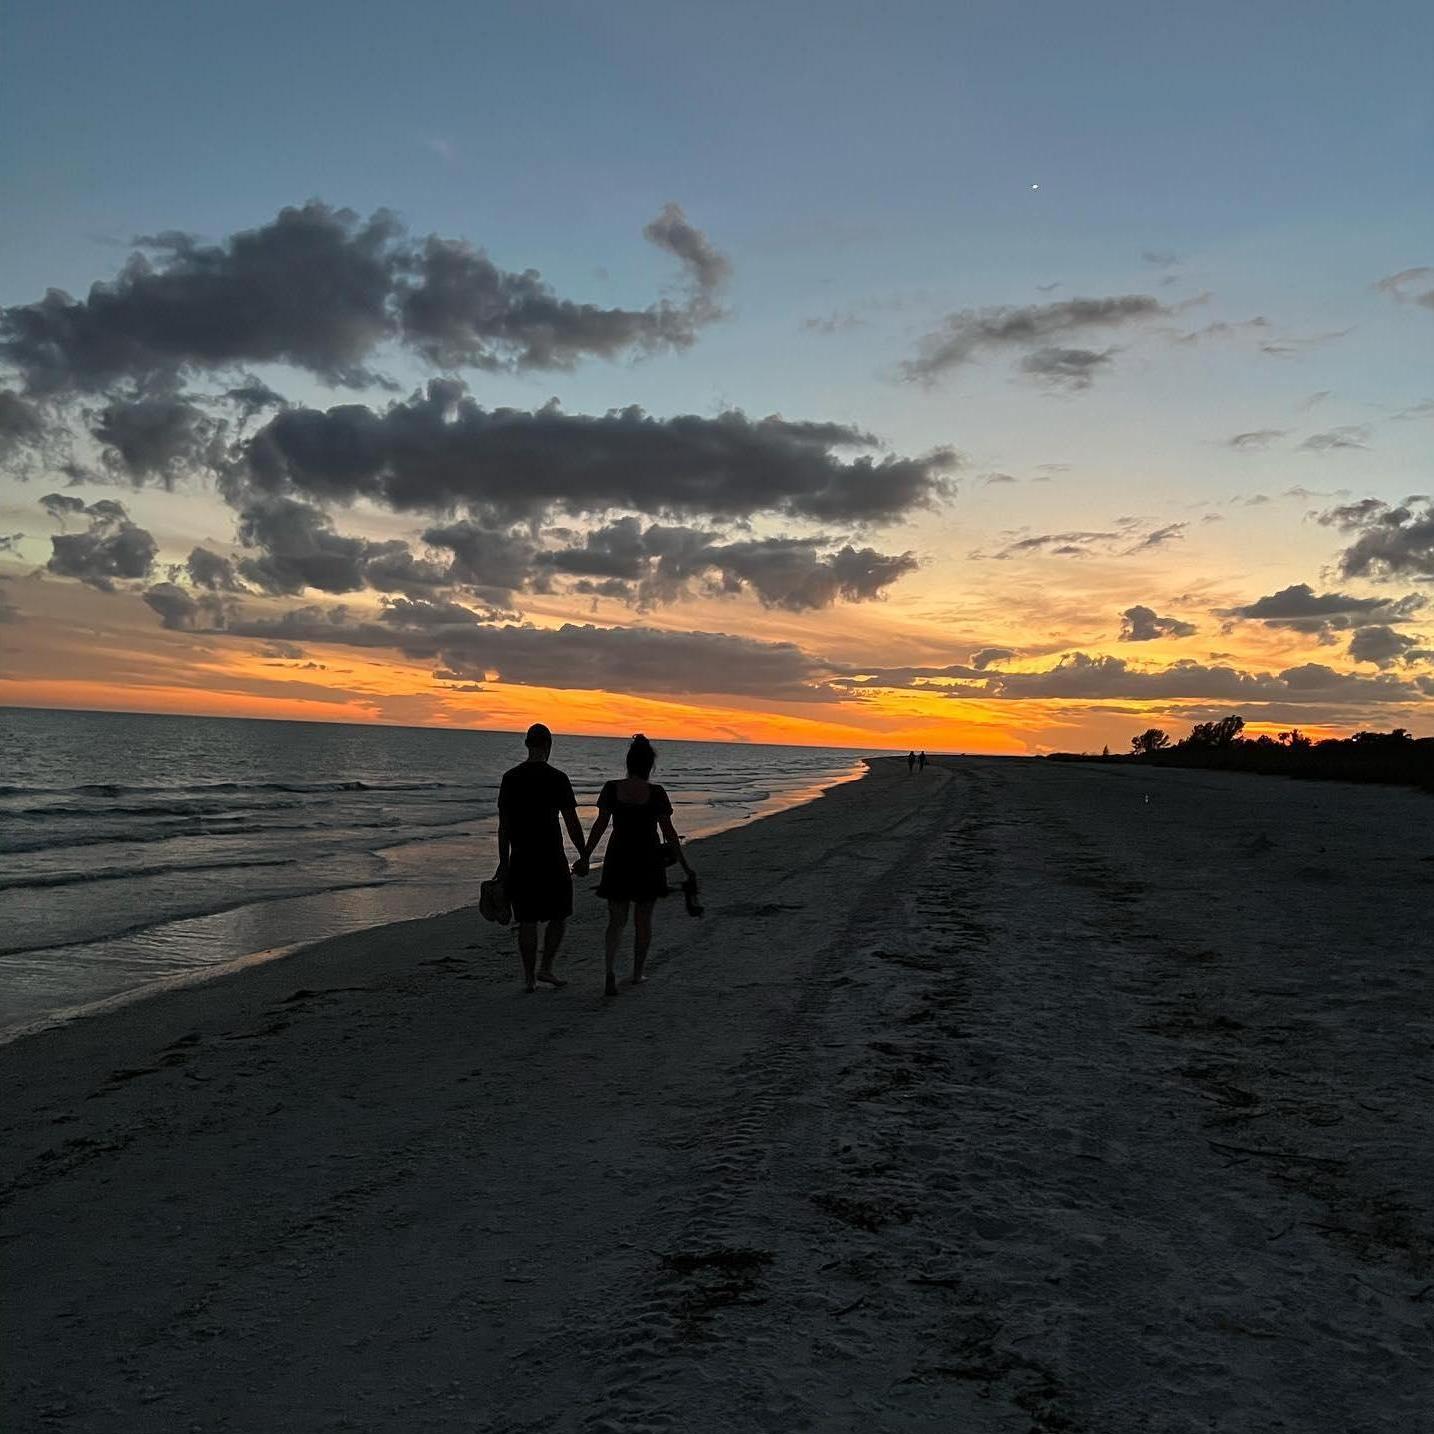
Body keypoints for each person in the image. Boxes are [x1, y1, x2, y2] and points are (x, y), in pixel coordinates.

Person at [577, 733, 693, 997]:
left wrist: (585, 855)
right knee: (643, 920)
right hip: (648, 860)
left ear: (628, 763)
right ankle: (637, 972)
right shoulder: (657, 793)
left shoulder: (611, 788)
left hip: (618, 857)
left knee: (616, 921)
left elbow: (600, 826)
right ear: (650, 766)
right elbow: (670, 833)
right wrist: (685, 866)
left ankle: (610, 971)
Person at [497, 723, 588, 993]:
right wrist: (584, 855)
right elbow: (572, 823)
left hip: (521, 856)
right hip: (551, 855)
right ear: (549, 746)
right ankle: (546, 967)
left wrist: (504, 862)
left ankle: (529, 978)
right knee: (559, 914)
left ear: (527, 744)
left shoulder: (510, 777)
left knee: (526, 918)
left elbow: (504, 826)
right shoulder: (557, 778)